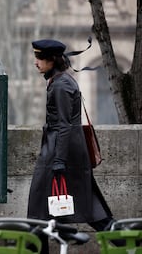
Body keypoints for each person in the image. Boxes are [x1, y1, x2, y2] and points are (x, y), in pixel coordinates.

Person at [27, 39, 116, 254]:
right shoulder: (60, 81)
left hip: (59, 155)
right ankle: (125, 239)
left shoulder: (61, 84)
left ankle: (127, 239)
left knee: (38, 215)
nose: (35, 62)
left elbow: (65, 125)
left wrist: (58, 160)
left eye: (39, 58)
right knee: (89, 208)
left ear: (52, 60)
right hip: (64, 153)